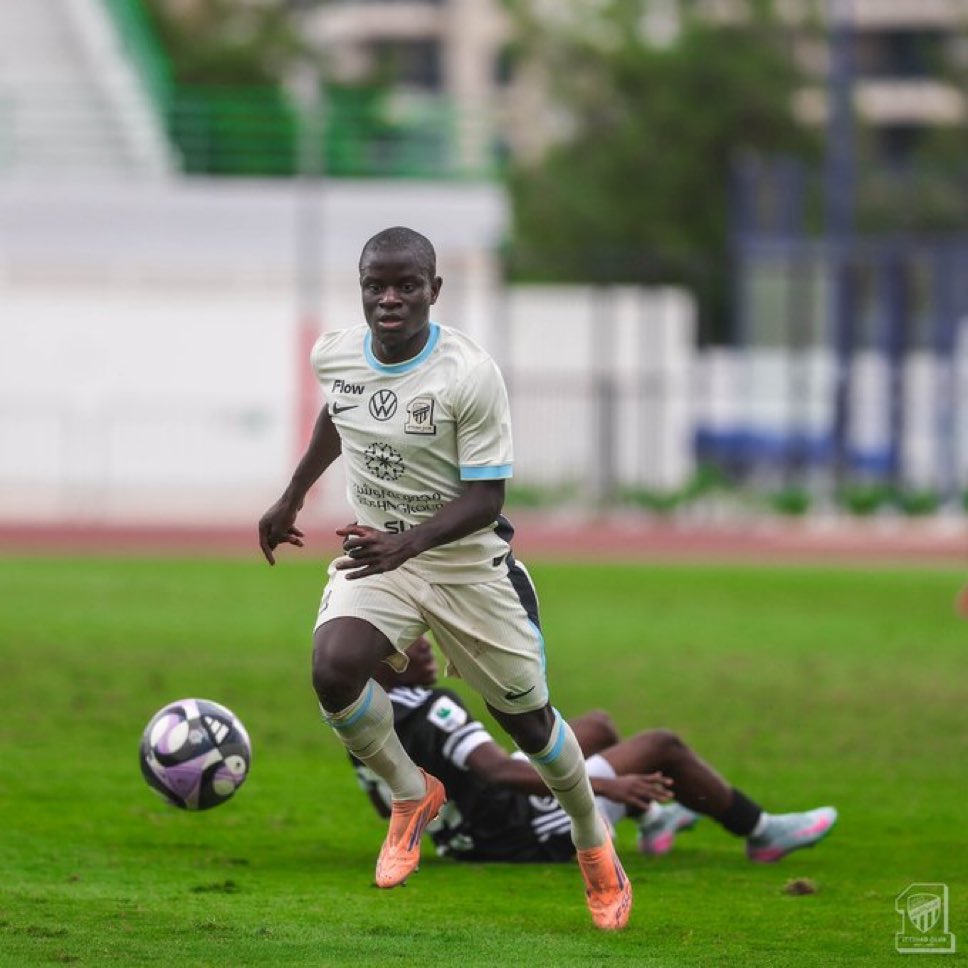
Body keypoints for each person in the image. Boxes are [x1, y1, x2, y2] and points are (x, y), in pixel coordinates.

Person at [258, 227, 632, 930]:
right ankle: (411, 793)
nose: (389, 299)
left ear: (434, 290)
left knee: (530, 723)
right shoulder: (335, 354)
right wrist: (292, 496)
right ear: (361, 289)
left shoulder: (469, 374)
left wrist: (407, 544)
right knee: (334, 669)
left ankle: (591, 836)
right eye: (376, 286)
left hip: (467, 569)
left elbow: (487, 498)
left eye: (406, 286)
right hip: (382, 556)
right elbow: (339, 414)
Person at [352, 638, 838, 866]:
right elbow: (498, 773)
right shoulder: (431, 708)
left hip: (467, 833)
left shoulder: (360, 715)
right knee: (661, 746)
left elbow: (384, 803)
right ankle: (762, 832)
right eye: (412, 642)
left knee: (597, 727)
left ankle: (655, 820)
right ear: (382, 659)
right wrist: (607, 786)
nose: (427, 649)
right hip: (518, 830)